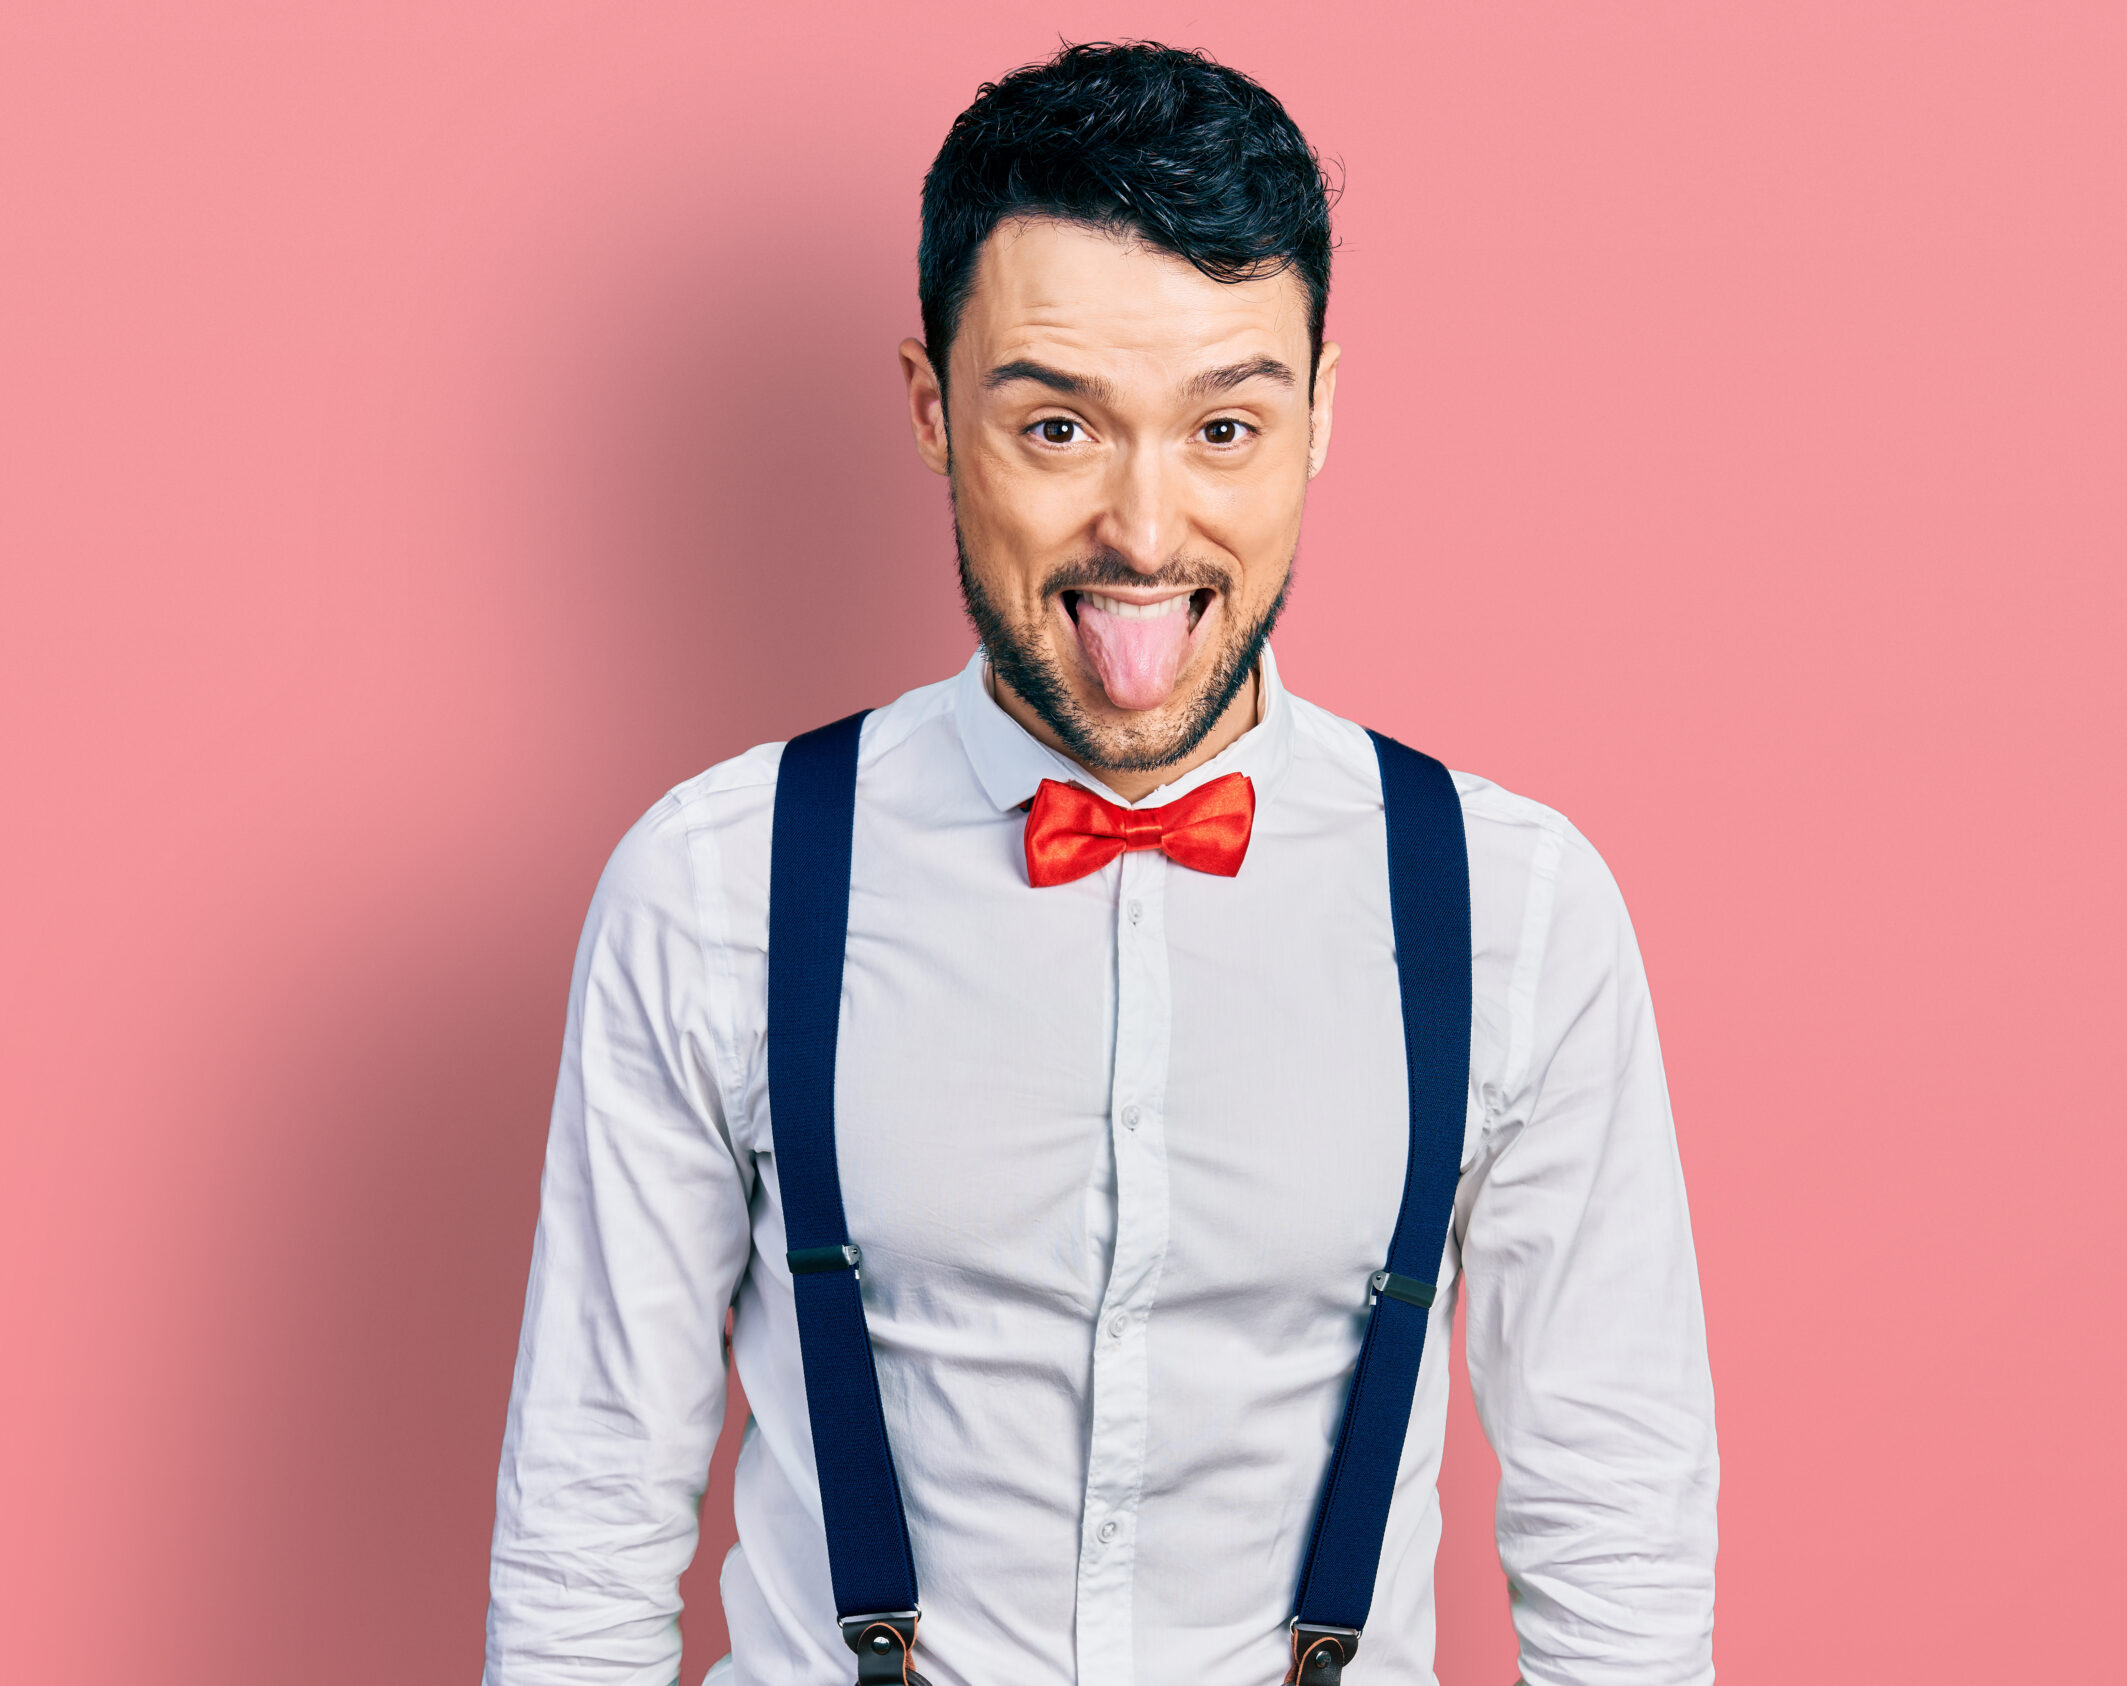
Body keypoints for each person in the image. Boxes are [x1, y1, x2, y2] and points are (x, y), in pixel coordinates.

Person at [484, 41, 1716, 1686]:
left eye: (1223, 425)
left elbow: (1613, 1530)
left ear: (1322, 412)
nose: (1146, 527)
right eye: (1059, 425)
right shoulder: (710, 890)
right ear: (931, 409)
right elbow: (587, 1528)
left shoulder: (1519, 910)